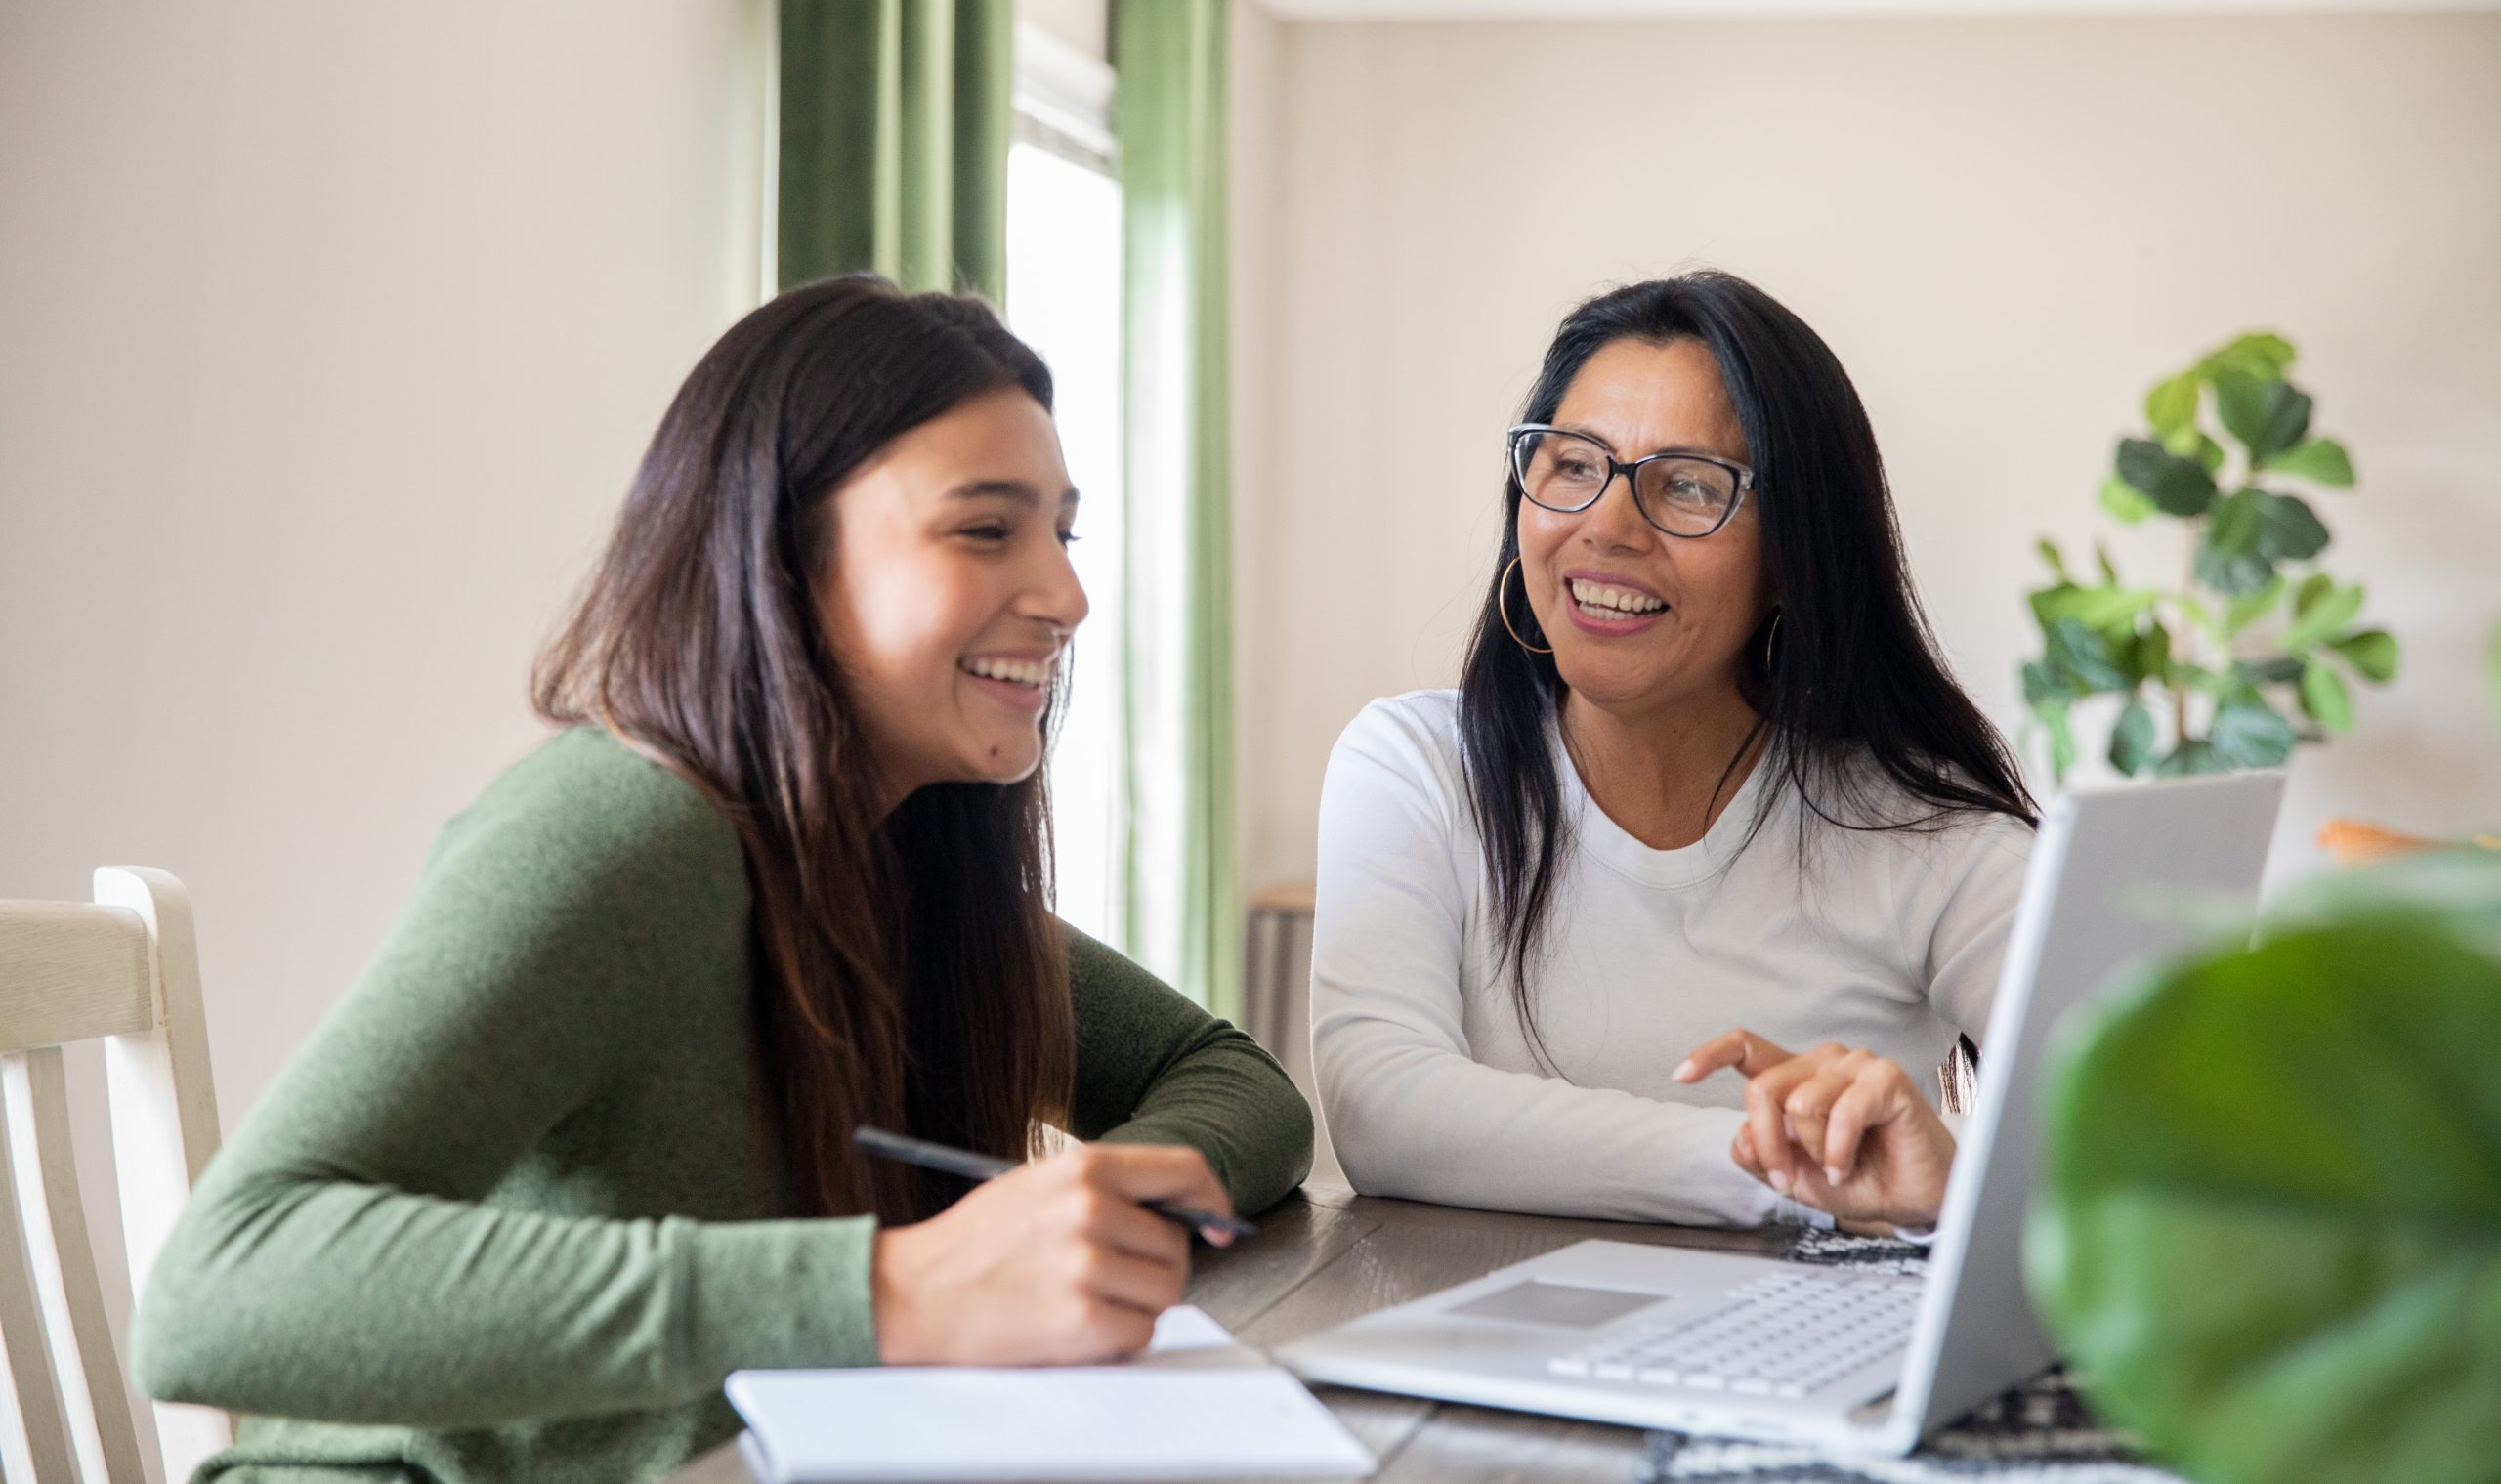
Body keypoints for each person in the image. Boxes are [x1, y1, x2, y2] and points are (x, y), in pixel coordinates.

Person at [134, 276, 1313, 1483]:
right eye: (983, 529)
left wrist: (1089, 1215)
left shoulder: (897, 858)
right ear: (787, 557)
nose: (1066, 597)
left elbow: (1234, 1085)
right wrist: (889, 1288)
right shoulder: (625, 830)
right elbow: (215, 1291)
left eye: (1061, 532)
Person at [1310, 272, 2033, 1235]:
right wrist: (1790, 1170)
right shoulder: (1415, 769)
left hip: (1805, 1369)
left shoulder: (1921, 828)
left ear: (1794, 552)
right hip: (1482, 1360)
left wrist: (1954, 1172)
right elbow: (1386, 1111)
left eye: (1687, 485)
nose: (1607, 527)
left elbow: (2142, 1131)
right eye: (1572, 466)